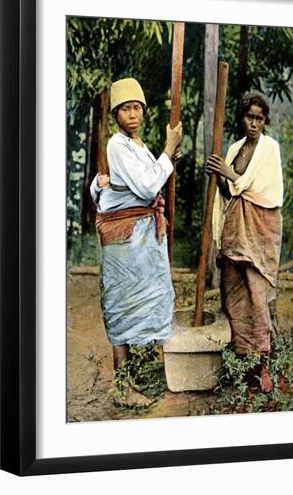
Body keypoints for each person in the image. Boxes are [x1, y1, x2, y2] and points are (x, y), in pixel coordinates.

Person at [90, 77, 182, 406]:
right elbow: (146, 187)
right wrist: (168, 152)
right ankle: (121, 388)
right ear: (116, 114)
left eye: (137, 108)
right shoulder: (117, 145)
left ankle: (137, 373)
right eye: (125, 109)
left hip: (142, 237)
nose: (132, 114)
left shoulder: (138, 147)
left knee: (149, 300)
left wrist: (166, 160)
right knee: (123, 307)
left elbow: (146, 181)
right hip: (126, 239)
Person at [206, 92, 283, 393]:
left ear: (265, 121)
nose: (254, 123)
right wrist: (220, 176)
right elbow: (230, 192)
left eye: (259, 118)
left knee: (256, 294)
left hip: (259, 230)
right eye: (249, 116)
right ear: (242, 117)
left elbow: (263, 192)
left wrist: (228, 174)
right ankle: (241, 359)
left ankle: (262, 363)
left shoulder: (270, 149)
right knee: (233, 293)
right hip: (235, 229)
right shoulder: (236, 147)